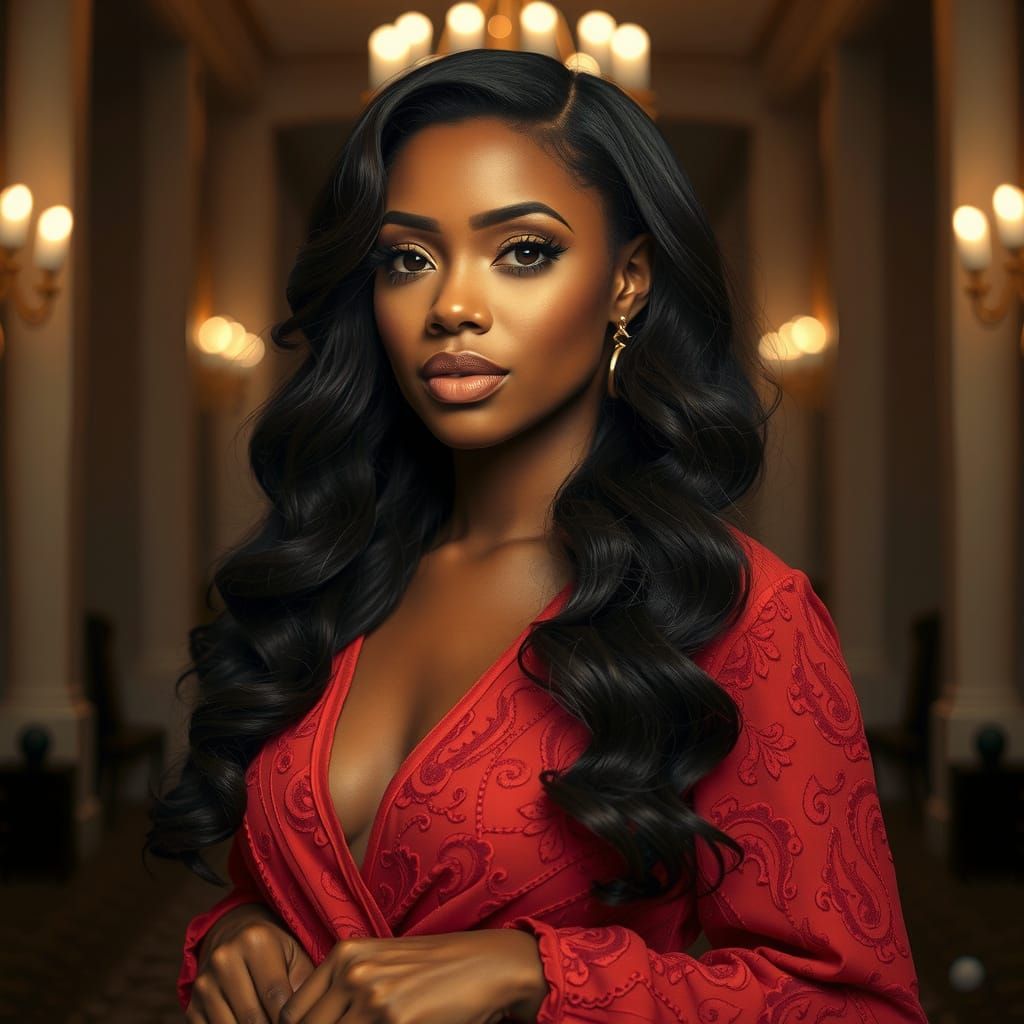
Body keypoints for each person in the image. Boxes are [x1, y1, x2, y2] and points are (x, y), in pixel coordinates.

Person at [146, 48, 927, 1024]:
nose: (452, 306)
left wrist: (538, 976)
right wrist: (237, 929)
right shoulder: (336, 573)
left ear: (627, 281)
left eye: (522, 250)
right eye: (408, 257)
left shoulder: (735, 610)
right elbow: (322, 888)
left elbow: (860, 1008)